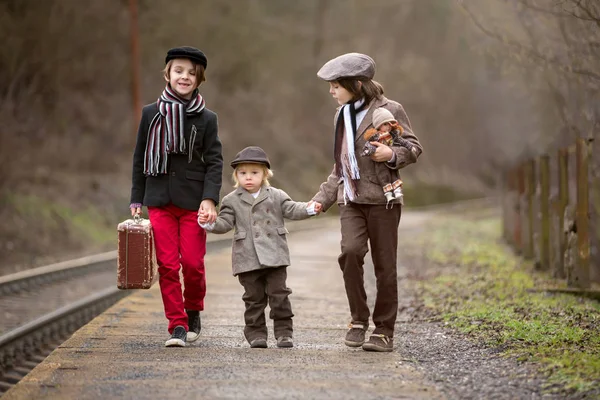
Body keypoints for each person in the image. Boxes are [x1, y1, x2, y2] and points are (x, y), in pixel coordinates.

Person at [311, 52, 423, 352]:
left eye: (336, 85)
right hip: (350, 198)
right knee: (349, 252)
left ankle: (384, 329)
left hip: (384, 200)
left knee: (385, 266)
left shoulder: (391, 109)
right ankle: (358, 319)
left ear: (357, 84)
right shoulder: (340, 116)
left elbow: (413, 147)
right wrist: (322, 199)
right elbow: (340, 163)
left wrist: (392, 155)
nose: (331, 91)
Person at [129, 46, 223, 347]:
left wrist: (210, 198)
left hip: (194, 202)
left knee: (193, 264)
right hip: (159, 200)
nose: (185, 77)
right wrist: (136, 199)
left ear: (199, 79)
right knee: (168, 265)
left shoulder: (207, 118)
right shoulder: (150, 113)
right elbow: (139, 158)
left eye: (191, 73)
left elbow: (215, 161)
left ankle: (194, 309)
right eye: (179, 71)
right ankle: (177, 325)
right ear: (167, 74)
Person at [198, 146, 317, 349]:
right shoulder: (231, 200)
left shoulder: (276, 195)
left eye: (254, 173)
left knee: (280, 295)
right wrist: (209, 223)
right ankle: (255, 333)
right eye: (243, 173)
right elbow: (225, 223)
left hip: (275, 255)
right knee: (253, 299)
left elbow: (292, 208)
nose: (249, 178)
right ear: (236, 176)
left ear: (265, 174)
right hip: (247, 257)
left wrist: (309, 208)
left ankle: (284, 333)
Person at [361, 107, 418, 206]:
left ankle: (397, 190)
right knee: (383, 176)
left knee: (394, 176)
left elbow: (403, 141)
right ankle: (388, 194)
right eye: (386, 124)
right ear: (379, 125)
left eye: (391, 124)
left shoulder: (393, 135)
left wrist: (408, 148)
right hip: (379, 164)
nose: (389, 127)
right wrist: (368, 151)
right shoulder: (376, 137)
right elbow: (369, 145)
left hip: (391, 163)